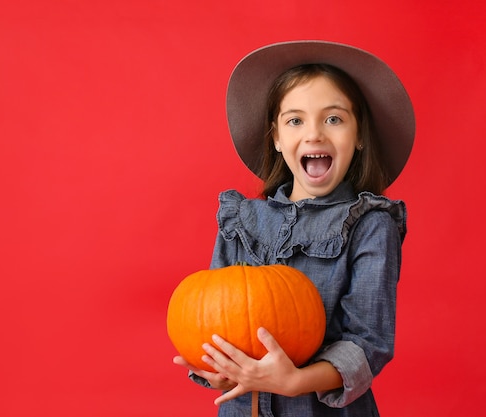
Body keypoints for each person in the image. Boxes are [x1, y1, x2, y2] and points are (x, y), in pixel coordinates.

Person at [172, 40, 415, 416]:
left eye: (333, 119)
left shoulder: (370, 224)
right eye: (295, 120)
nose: (314, 134)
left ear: (360, 135)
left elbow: (368, 342)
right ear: (277, 137)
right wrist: (221, 369)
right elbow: (215, 312)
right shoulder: (241, 220)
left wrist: (294, 382)